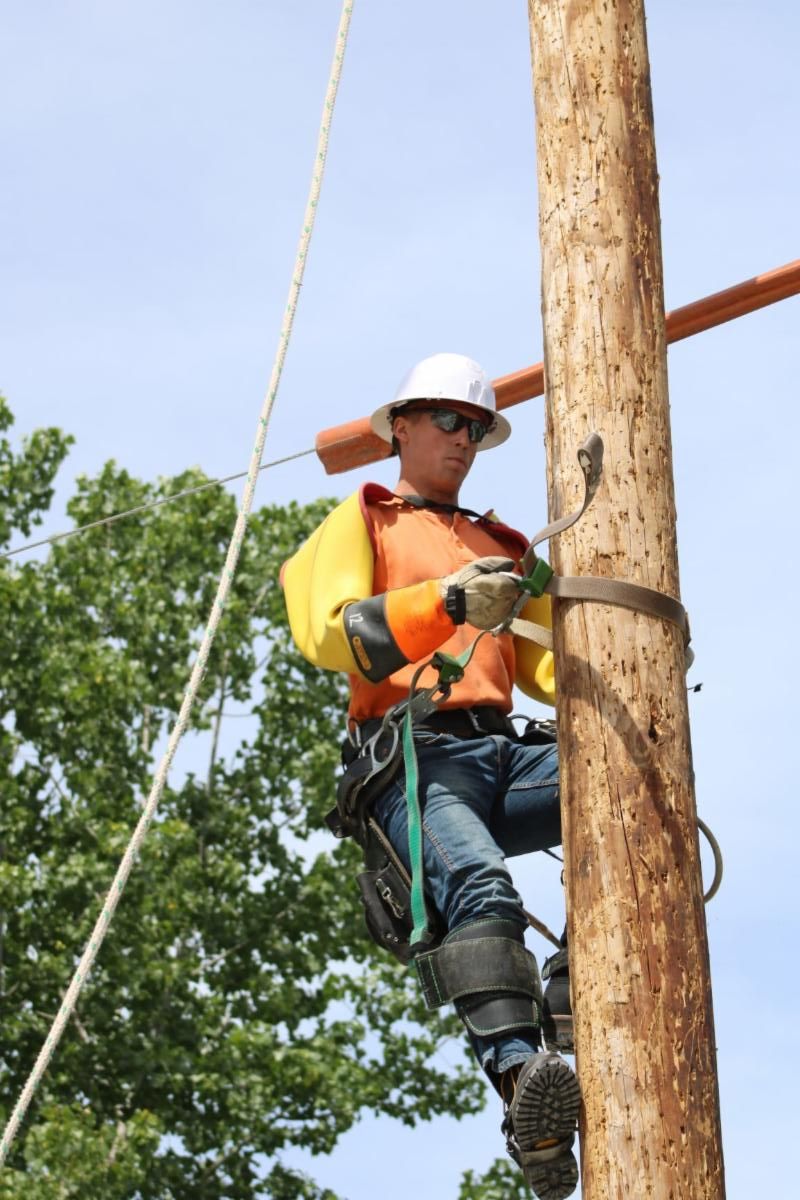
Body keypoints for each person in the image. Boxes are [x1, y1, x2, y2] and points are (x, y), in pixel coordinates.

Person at [281, 352, 579, 1200]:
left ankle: (569, 997)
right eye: (447, 420)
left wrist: (646, 651)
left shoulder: (504, 547)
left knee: (620, 792)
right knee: (477, 883)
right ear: (401, 427)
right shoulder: (365, 519)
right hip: (416, 755)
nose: (462, 438)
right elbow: (328, 633)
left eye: (476, 427)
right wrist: (445, 603)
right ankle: (526, 1088)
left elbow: (549, 664)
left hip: (501, 752)